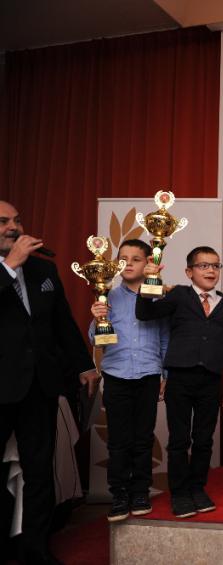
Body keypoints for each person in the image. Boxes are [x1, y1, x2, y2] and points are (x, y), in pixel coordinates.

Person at [0, 200, 98, 564]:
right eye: (3, 222)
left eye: (17, 220)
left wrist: (84, 365)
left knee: (39, 472)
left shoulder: (43, 269)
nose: (13, 227)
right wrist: (9, 267)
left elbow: (63, 323)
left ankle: (35, 550)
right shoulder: (12, 265)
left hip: (40, 386)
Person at [136, 246, 223, 519]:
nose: (210, 270)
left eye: (215, 266)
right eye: (203, 265)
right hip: (179, 379)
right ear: (189, 271)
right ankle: (179, 493)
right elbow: (145, 314)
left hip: (211, 381)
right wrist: (148, 282)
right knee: (179, 439)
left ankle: (197, 488)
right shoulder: (179, 295)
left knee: (204, 439)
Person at [89, 239, 168, 522]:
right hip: (116, 375)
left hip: (148, 374)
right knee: (119, 440)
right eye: (123, 258)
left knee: (143, 438)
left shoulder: (157, 297)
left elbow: (165, 338)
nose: (129, 263)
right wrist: (96, 319)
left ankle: (140, 492)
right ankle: (119, 494)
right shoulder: (107, 295)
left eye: (136, 258)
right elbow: (96, 339)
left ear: (149, 262)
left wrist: (165, 374)